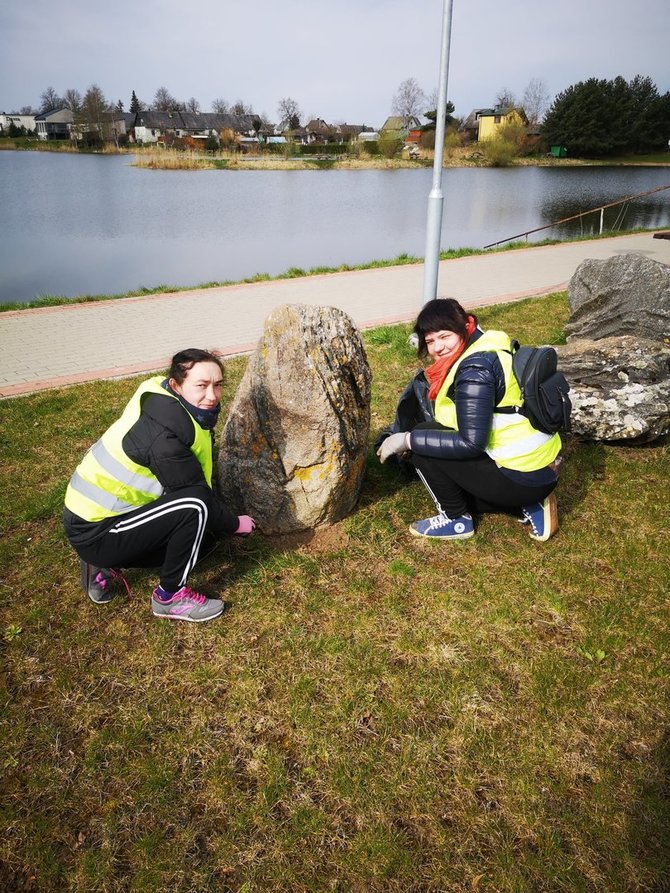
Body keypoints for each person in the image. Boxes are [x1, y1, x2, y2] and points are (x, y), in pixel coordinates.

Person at [63, 348, 255, 622]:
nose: (212, 396)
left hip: (98, 514)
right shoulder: (163, 438)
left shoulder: (165, 402)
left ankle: (105, 559)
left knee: (205, 541)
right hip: (95, 531)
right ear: (177, 385)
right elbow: (194, 494)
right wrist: (236, 524)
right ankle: (169, 597)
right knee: (196, 507)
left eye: (218, 385)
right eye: (201, 385)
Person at [376, 299, 562, 542]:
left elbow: (471, 443)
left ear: (464, 327)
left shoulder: (475, 369)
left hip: (523, 477)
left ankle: (456, 520)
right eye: (430, 341)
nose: (437, 348)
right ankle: (531, 503)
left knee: (421, 443)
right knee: (430, 434)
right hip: (542, 466)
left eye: (444, 336)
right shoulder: (491, 344)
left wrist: (407, 440)